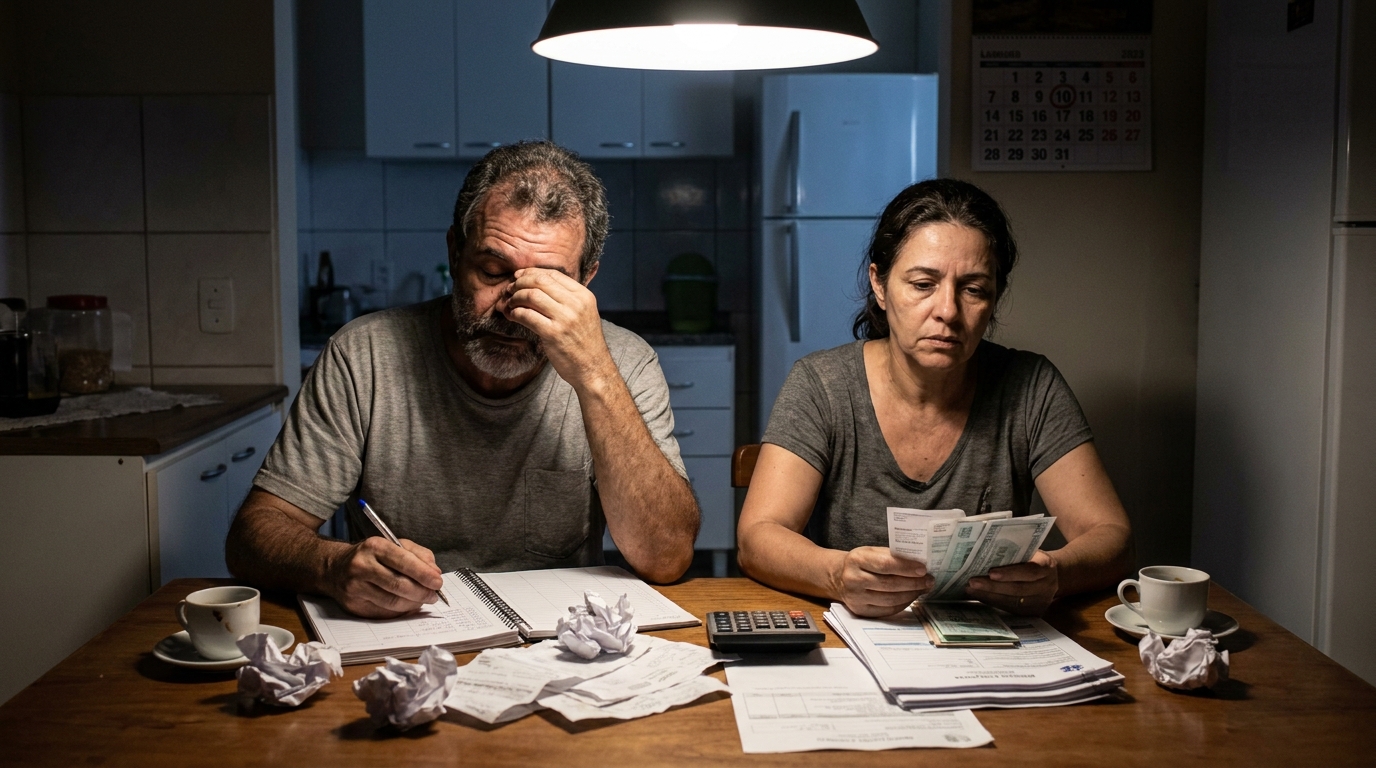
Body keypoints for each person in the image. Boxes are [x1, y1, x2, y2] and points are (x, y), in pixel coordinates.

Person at [226, 141, 700, 618]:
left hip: (558, 642)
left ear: (587, 279)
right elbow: (254, 535)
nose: (515, 309)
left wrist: (595, 376)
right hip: (404, 634)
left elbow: (667, 557)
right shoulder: (363, 357)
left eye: (550, 285)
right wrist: (330, 565)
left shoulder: (625, 362)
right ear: (455, 253)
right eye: (493, 271)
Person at [737, 178, 1132, 618]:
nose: (947, 310)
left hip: (991, 648)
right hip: (854, 638)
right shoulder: (821, 384)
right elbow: (758, 536)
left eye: (973, 289)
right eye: (923, 284)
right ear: (880, 285)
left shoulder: (1030, 385)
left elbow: (1110, 535)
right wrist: (837, 574)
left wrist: (1056, 573)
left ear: (994, 297)